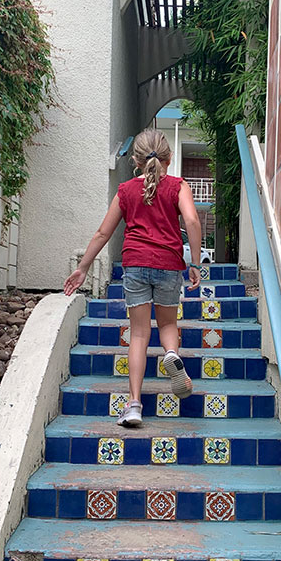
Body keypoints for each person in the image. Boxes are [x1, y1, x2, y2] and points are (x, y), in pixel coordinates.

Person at [63, 129, 202, 428]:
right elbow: (191, 220)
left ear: (136, 161)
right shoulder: (178, 186)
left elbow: (103, 232)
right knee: (167, 323)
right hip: (168, 264)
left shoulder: (125, 190)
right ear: (169, 158)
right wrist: (195, 263)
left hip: (136, 264)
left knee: (139, 335)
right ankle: (172, 355)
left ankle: (135, 405)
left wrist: (84, 267)